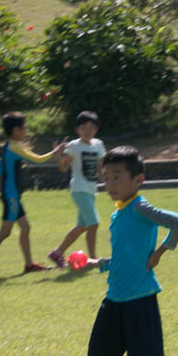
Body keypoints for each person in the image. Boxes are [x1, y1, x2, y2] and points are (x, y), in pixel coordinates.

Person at [79, 146, 178, 356]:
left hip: (141, 299)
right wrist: (98, 263)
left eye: (117, 177)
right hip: (115, 298)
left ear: (138, 180)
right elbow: (126, 255)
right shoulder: (119, 212)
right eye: (106, 177)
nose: (109, 184)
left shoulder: (140, 207)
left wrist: (161, 252)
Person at [0, 112, 65, 277]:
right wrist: (55, 152)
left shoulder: (8, 146)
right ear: (16, 130)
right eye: (24, 127)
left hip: (12, 196)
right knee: (4, 232)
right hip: (11, 196)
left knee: (25, 227)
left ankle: (29, 264)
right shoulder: (14, 148)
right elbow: (37, 159)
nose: (26, 129)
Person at [47, 111, 106, 268]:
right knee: (93, 223)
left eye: (91, 127)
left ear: (97, 129)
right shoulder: (74, 146)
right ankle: (93, 259)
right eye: (84, 127)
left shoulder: (98, 144)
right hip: (79, 189)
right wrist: (58, 157)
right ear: (77, 130)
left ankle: (57, 253)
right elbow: (64, 168)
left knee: (83, 226)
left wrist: (108, 182)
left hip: (91, 190)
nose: (87, 131)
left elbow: (101, 168)